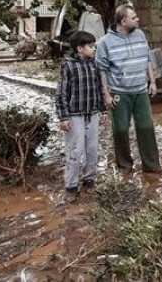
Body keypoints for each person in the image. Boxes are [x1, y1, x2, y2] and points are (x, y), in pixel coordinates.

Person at [95, 5, 162, 174]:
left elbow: (147, 59)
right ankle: (125, 166)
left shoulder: (140, 35)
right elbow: (102, 70)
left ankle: (152, 165)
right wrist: (106, 94)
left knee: (146, 127)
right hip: (119, 92)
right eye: (134, 18)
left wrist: (153, 82)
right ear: (123, 21)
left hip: (141, 90)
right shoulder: (105, 42)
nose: (138, 20)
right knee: (120, 129)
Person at [55, 31, 106, 201]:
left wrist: (103, 110)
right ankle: (71, 186)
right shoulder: (67, 65)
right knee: (75, 149)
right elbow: (61, 93)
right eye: (90, 46)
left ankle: (90, 180)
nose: (93, 49)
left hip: (92, 113)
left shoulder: (94, 64)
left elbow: (98, 88)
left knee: (92, 148)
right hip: (74, 115)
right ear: (79, 48)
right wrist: (63, 117)